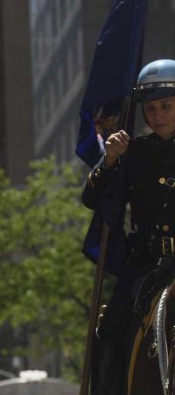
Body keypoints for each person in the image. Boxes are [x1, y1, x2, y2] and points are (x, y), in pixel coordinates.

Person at [82, 58, 175, 395]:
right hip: (146, 268)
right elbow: (92, 199)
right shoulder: (132, 152)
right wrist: (109, 160)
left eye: (166, 105)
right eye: (150, 108)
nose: (157, 114)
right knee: (109, 331)